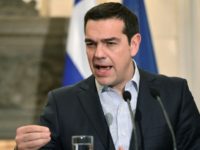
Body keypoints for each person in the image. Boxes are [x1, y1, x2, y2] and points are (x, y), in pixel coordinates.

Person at [15, 2, 200, 150]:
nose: (98, 54)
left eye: (110, 43)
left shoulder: (172, 95)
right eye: (91, 44)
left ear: (134, 44)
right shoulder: (62, 103)